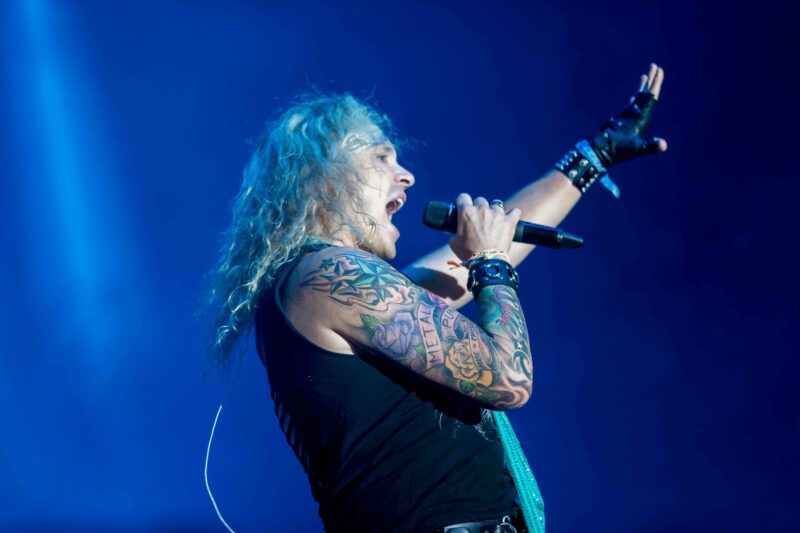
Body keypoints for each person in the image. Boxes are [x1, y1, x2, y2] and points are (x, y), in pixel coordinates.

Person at [208, 64, 667, 532]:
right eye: (382, 158)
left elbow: (503, 235)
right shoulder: (327, 274)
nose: (406, 176)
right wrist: (489, 260)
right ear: (324, 174)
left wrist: (594, 155)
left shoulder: (340, 288)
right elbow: (508, 378)